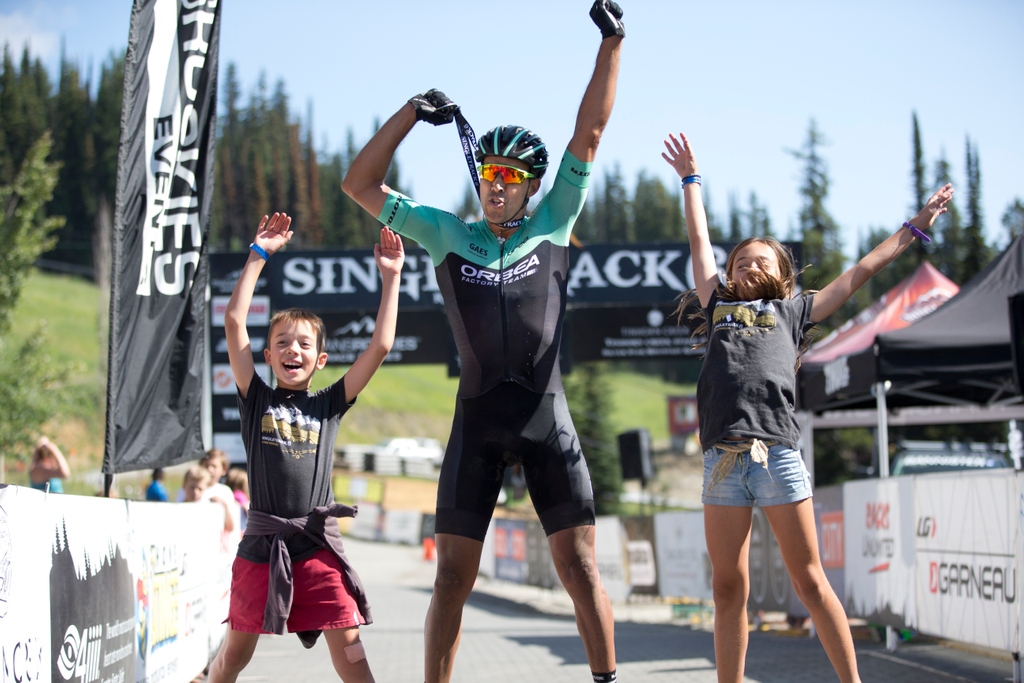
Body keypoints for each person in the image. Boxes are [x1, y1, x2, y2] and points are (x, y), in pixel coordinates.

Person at [342, 3, 624, 682]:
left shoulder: (555, 220)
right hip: (477, 423)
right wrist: (411, 111)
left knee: (579, 567)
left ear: (530, 187)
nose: (494, 185)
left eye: (509, 177)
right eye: (487, 174)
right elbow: (358, 184)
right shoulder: (447, 232)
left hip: (543, 418)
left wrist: (612, 43)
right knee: (450, 581)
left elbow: (589, 130)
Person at [662, 131, 954, 683]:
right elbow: (698, 239)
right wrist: (691, 181)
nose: (745, 265)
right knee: (729, 589)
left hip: (776, 456)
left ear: (780, 272)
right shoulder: (717, 301)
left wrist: (913, 228)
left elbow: (861, 271)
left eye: (758, 260)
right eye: (739, 261)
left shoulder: (796, 310)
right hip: (721, 463)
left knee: (810, 580)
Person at [207, 212, 404, 683]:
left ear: (320, 359)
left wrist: (391, 278)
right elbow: (235, 321)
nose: (291, 349)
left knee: (352, 653)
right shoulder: (256, 398)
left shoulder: (329, 404)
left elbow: (380, 345)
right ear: (268, 356)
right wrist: (258, 257)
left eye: (302, 344)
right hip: (262, 544)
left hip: (318, 547)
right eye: (281, 343)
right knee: (234, 657)